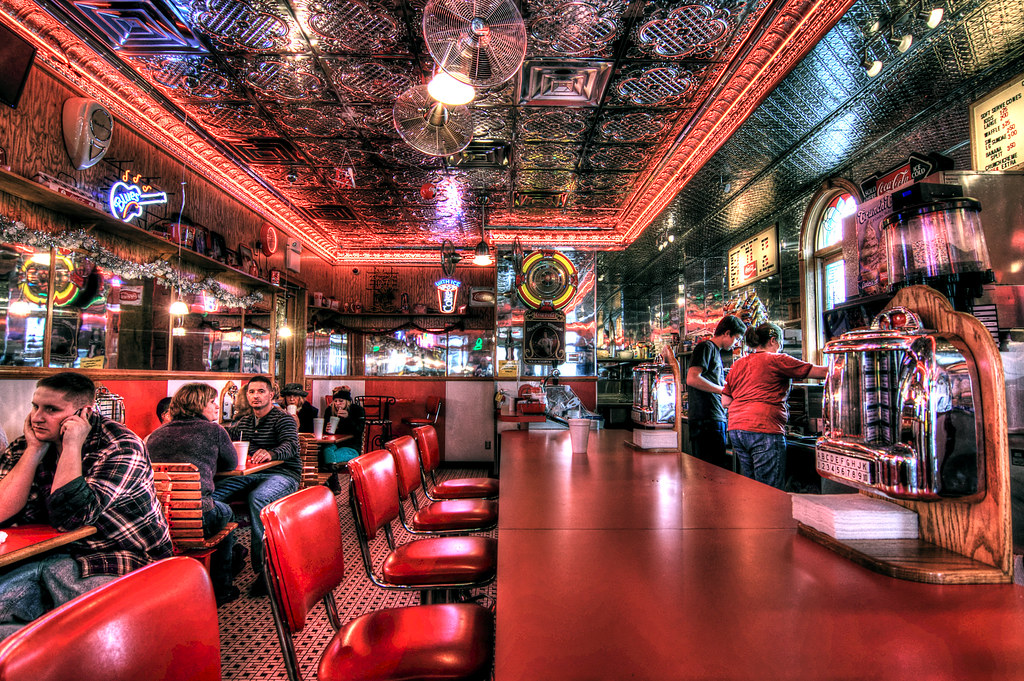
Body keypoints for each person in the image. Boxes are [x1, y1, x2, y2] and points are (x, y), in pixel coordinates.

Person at [0, 372, 172, 639]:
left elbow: (72, 519)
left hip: (120, 557)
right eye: (35, 406)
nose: (37, 417)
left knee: (81, 632)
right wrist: (33, 451)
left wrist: (71, 445)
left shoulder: (119, 445)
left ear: (84, 413)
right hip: (46, 556)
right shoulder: (29, 442)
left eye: (51, 409)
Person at [146, 383, 245, 605]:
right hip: (199, 517)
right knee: (226, 513)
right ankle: (222, 587)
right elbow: (231, 464)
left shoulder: (154, 435)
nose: (217, 407)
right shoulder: (215, 431)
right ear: (198, 404)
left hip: (159, 518)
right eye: (212, 402)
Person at [213, 375, 299, 597]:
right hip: (249, 475)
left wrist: (271, 453)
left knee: (258, 499)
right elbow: (226, 438)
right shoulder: (244, 422)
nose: (256, 396)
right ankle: (230, 553)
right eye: (251, 392)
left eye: (261, 391)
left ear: (271, 394)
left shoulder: (284, 419)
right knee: (212, 496)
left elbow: (291, 446)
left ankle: (265, 570)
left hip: (283, 474)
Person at [722, 323, 827, 490]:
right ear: (773, 340)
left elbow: (725, 401)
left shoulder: (739, 364)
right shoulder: (777, 360)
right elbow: (821, 373)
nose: (780, 347)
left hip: (737, 430)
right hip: (764, 429)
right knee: (769, 492)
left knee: (752, 487)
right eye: (780, 342)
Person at [685, 315, 746, 469]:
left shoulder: (715, 351)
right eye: (736, 338)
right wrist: (723, 390)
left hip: (712, 418)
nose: (736, 344)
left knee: (714, 468)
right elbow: (692, 378)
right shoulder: (706, 347)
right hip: (706, 419)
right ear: (727, 333)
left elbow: (714, 380)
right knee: (710, 470)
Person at [321, 387, 365, 494]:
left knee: (324, 459)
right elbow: (324, 433)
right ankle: (333, 482)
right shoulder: (329, 411)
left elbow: (359, 431)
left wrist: (348, 419)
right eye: (335, 401)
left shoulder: (357, 410)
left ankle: (332, 483)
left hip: (351, 447)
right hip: (333, 445)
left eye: (341, 401)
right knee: (325, 450)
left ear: (347, 402)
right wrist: (326, 429)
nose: (337, 404)